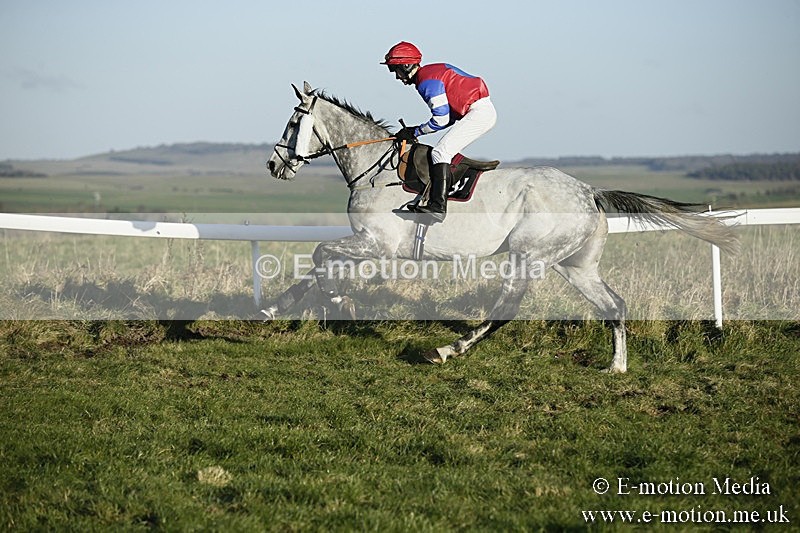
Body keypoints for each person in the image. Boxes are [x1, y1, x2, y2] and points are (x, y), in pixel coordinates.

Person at [381, 41, 497, 223]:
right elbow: (448, 118)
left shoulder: (425, 82)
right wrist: (415, 131)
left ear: (406, 66)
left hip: (479, 113)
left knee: (440, 152)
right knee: (442, 150)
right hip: (479, 111)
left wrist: (415, 132)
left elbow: (441, 119)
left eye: (394, 70)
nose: (396, 76)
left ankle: (438, 206)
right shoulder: (430, 73)